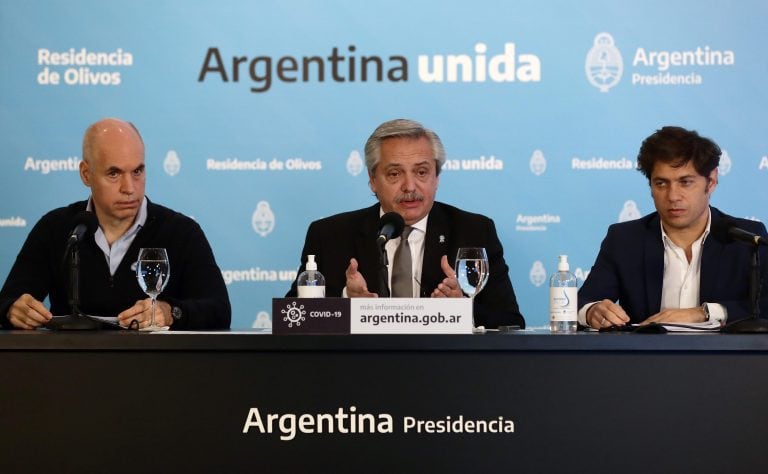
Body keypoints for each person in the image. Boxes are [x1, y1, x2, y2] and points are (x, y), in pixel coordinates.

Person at [286, 118, 524, 329]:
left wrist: (460, 311)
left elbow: (510, 322)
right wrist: (347, 305)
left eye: (421, 172)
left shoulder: (474, 231)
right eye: (394, 174)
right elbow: (292, 318)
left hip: (446, 373)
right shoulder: (330, 235)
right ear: (372, 180)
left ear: (436, 178)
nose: (410, 187)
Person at [0, 118, 231, 330]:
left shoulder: (181, 232)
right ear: (86, 174)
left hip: (155, 370)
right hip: (71, 369)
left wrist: (170, 313)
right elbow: (8, 301)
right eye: (114, 173)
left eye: (137, 171)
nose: (129, 188)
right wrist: (13, 310)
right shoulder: (57, 228)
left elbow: (219, 310)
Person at [578, 126, 768, 328]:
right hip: (645, 358)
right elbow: (581, 303)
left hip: (723, 359)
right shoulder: (624, 239)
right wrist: (592, 311)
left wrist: (705, 313)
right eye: (661, 183)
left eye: (685, 182)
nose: (673, 196)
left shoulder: (746, 238)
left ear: (711, 182)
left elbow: (765, 306)